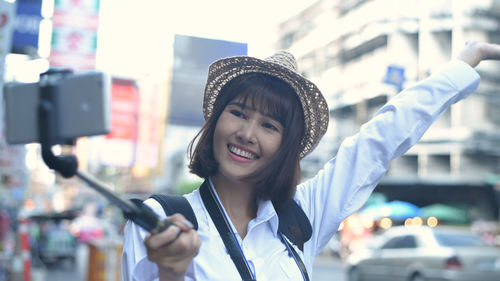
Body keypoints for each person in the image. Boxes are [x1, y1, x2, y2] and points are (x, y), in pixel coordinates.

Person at [122, 40, 500, 281]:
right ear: (216, 119)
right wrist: (171, 272)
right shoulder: (159, 221)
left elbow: (379, 140)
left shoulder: (303, 216)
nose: (247, 134)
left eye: (269, 125)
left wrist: (469, 58)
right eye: (238, 113)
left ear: (286, 146)